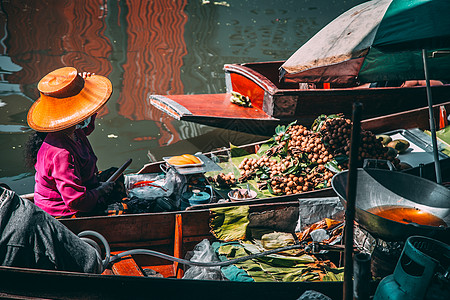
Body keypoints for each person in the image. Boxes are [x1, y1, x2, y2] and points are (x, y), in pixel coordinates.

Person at [25, 67, 124, 218]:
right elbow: (75, 201)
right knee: (123, 210)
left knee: (116, 175)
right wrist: (100, 191)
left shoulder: (74, 132)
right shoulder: (61, 153)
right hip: (63, 212)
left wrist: (85, 89)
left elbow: (86, 128)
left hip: (84, 190)